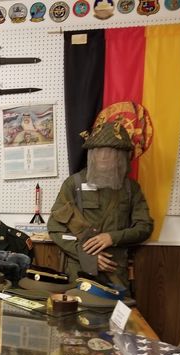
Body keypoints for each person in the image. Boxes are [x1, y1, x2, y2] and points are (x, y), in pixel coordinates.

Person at [48, 121, 153, 289]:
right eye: (98, 151)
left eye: (110, 152)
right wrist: (88, 256)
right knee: (77, 305)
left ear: (120, 157)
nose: (103, 156)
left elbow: (145, 227)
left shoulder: (130, 188)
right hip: (80, 271)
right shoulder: (73, 184)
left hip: (116, 271)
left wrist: (112, 238)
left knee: (119, 306)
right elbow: (55, 228)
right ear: (92, 155)